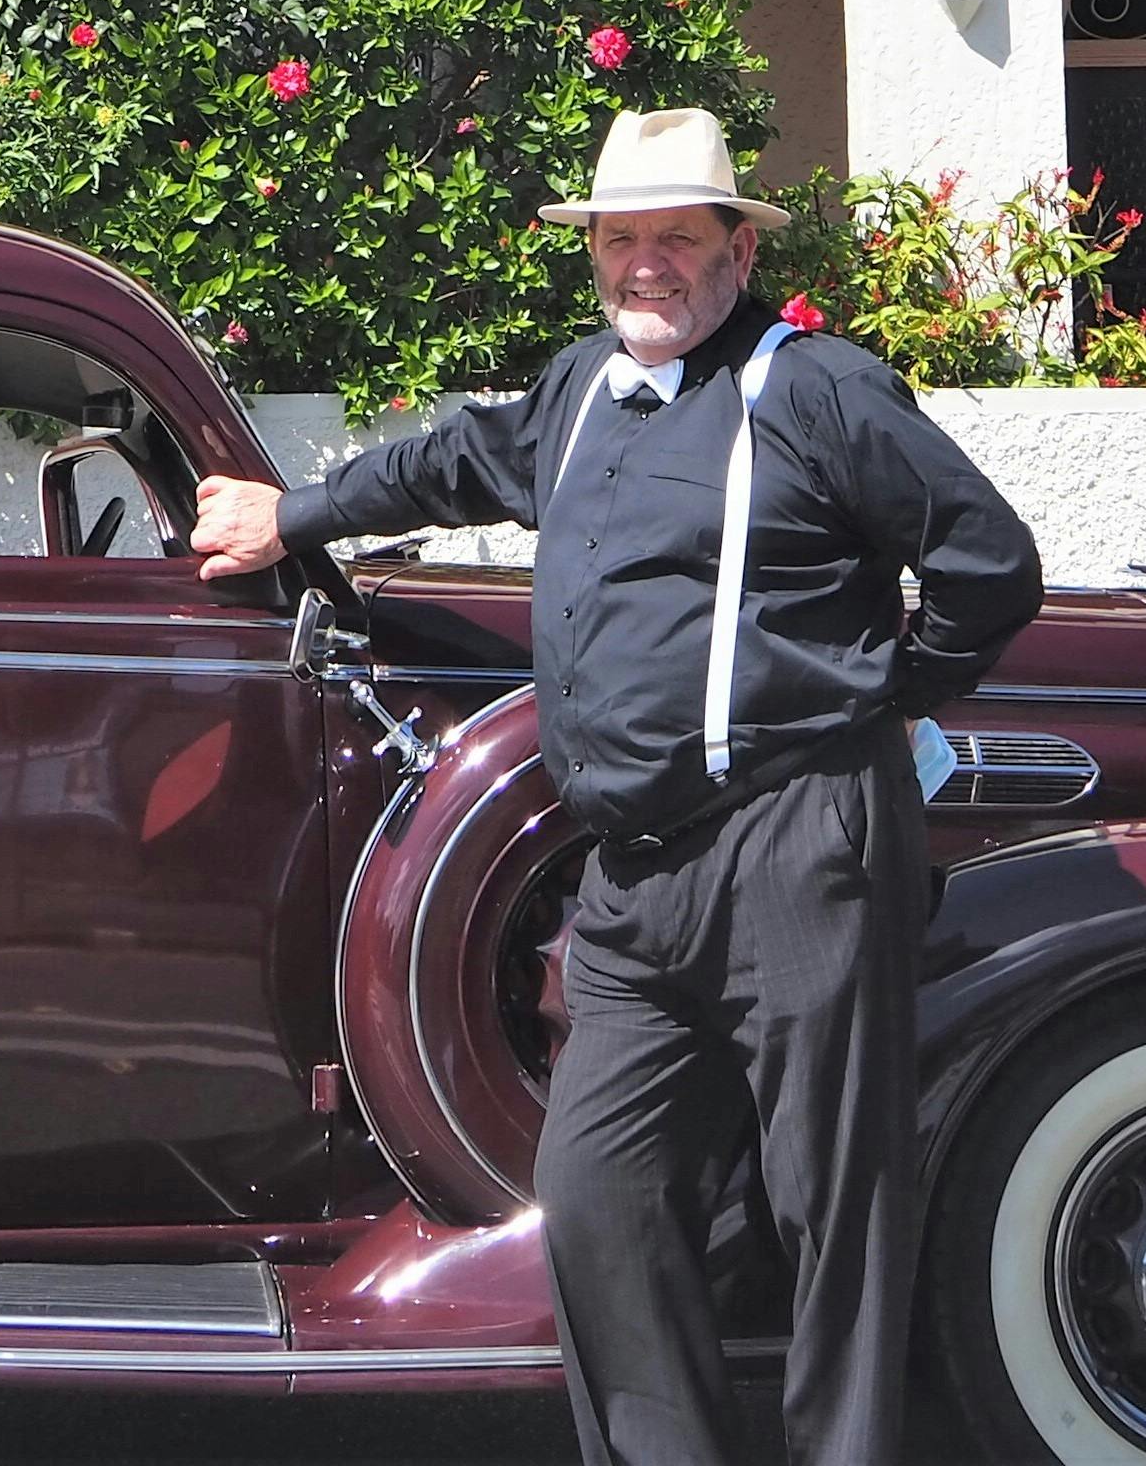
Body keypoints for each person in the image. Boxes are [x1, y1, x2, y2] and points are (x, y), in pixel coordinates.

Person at [194, 109, 1039, 1466]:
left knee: (834, 1210)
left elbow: (989, 562)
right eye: (621, 238)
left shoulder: (815, 389)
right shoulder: (583, 388)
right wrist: (293, 514)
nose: (647, 262)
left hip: (797, 846)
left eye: (678, 238)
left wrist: (876, 698)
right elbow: (452, 461)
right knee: (598, 1198)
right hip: (634, 877)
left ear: (738, 253)